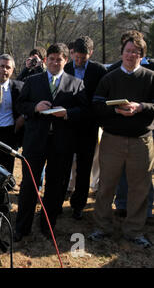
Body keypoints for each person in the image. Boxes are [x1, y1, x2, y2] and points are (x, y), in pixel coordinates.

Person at [14, 43, 87, 241]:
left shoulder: (76, 84)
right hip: (35, 142)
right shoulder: (32, 81)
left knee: (55, 186)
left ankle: (48, 225)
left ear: (66, 60)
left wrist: (68, 114)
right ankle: (22, 227)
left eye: (60, 59)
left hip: (61, 144)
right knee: (29, 185)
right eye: (52, 59)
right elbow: (21, 104)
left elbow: (83, 111)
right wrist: (35, 107)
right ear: (46, 61)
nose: (55, 62)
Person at [90, 34, 154, 248]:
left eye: (135, 52)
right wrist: (115, 110)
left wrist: (141, 107)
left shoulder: (150, 77)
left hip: (141, 142)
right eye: (128, 51)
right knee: (106, 185)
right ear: (122, 53)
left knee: (139, 187)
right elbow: (97, 104)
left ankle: (134, 230)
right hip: (112, 140)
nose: (131, 55)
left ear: (141, 56)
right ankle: (102, 227)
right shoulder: (110, 77)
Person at [63, 36, 108, 220]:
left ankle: (78, 205)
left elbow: (101, 97)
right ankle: (58, 200)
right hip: (68, 124)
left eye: (83, 57)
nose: (79, 61)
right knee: (64, 165)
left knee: (84, 167)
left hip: (89, 126)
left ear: (91, 53)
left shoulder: (99, 71)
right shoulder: (66, 67)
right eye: (77, 57)